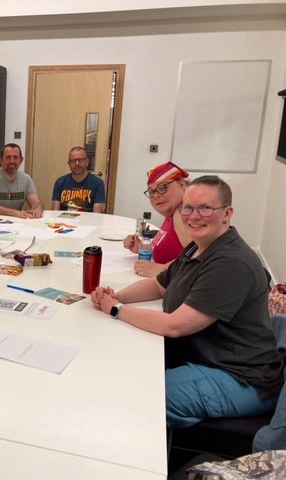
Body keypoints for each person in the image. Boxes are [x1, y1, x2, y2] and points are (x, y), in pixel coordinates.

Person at [91, 175, 283, 429]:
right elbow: (159, 284)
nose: (194, 216)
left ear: (227, 213)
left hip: (241, 378)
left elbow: (175, 326)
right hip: (207, 358)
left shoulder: (231, 262)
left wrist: (115, 309)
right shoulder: (197, 247)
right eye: (187, 207)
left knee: (138, 399)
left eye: (205, 208)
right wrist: (116, 296)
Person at [123, 161, 192, 278]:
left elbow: (198, 256)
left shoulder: (182, 213)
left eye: (163, 188)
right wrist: (141, 248)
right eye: (151, 191)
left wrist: (163, 269)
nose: (156, 195)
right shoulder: (172, 212)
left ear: (182, 185)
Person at [0, 143, 44, 219]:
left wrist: (38, 209)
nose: (12, 161)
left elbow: (36, 202)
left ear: (21, 160)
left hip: (11, 222)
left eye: (15, 157)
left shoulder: (26, 179)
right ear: (1, 160)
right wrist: (16, 213)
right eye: (8, 157)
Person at [51, 146, 106, 213]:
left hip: (88, 221)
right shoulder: (59, 182)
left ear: (87, 162)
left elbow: (97, 215)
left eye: (80, 160)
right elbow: (55, 212)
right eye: (73, 161)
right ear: (69, 164)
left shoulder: (98, 183)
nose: (77, 163)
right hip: (64, 221)